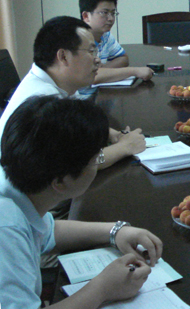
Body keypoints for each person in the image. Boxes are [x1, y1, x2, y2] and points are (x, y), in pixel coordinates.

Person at [0, 95, 163, 309]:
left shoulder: (17, 192)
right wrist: (103, 288)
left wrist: (116, 231)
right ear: (60, 181)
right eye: (96, 160)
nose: (97, 165)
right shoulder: (6, 228)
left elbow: (47, 232)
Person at [0, 16, 146, 170]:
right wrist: (125, 147)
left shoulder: (58, 81)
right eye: (91, 51)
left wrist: (113, 134)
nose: (98, 60)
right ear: (63, 56)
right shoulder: (44, 101)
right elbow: (80, 165)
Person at [79, 0, 154, 86]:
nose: (111, 18)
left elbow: (123, 59)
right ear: (86, 16)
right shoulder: (78, 39)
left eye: (113, 13)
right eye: (104, 13)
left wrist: (103, 70)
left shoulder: (105, 35)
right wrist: (134, 71)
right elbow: (90, 76)